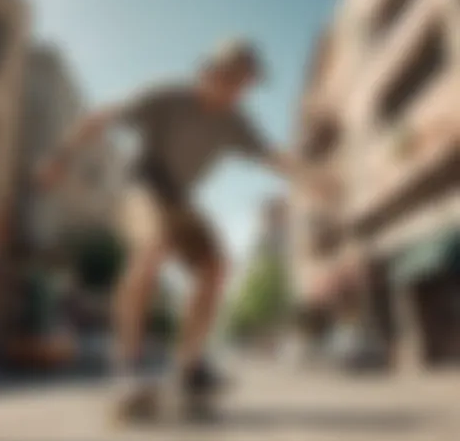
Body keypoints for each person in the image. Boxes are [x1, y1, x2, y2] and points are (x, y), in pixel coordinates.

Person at [39, 38, 326, 398]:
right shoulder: (166, 97)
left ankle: (189, 366)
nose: (236, 93)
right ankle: (126, 362)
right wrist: (59, 156)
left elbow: (272, 156)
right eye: (232, 80)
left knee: (215, 266)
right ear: (208, 72)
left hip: (179, 198)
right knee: (152, 248)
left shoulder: (235, 122)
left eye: (244, 86)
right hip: (139, 185)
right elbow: (101, 118)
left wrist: (313, 177)